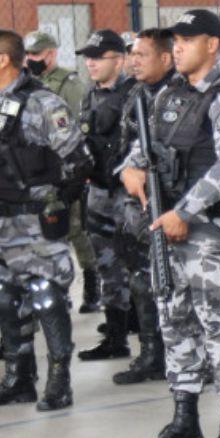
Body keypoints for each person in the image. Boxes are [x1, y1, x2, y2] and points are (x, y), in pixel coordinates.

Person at [122, 9, 220, 438]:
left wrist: (185, 210)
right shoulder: (165, 97)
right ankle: (184, 420)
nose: (177, 48)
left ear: (213, 45)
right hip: (165, 228)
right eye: (174, 41)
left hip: (209, 233)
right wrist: (132, 170)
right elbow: (141, 150)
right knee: (174, 323)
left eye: (186, 40)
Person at [0, 30, 90, 412]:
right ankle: (19, 379)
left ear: (4, 59)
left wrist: (54, 203)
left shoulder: (43, 104)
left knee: (47, 299)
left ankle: (59, 382)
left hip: (33, 223)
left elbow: (78, 160)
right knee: (4, 299)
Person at [110, 28, 175, 386]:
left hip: (170, 203)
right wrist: (126, 174)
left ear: (165, 58)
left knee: (177, 282)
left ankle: (194, 357)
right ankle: (152, 354)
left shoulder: (181, 95)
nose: (133, 61)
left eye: (142, 55)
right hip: (136, 202)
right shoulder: (135, 92)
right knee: (140, 280)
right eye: (131, 55)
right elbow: (127, 147)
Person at [22, 31, 97, 313]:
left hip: (65, 169)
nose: (31, 60)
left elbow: (78, 126)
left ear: (51, 54)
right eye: (28, 55)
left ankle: (91, 283)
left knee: (74, 229)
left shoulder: (69, 83)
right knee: (47, 232)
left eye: (37, 55)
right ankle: (57, 291)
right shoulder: (29, 82)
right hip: (40, 170)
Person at [75, 29, 136, 363]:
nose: (91, 63)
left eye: (98, 57)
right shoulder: (90, 95)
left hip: (129, 193)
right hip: (98, 190)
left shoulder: (135, 94)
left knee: (137, 266)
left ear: (120, 60)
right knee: (107, 265)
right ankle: (116, 335)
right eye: (88, 58)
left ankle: (145, 329)